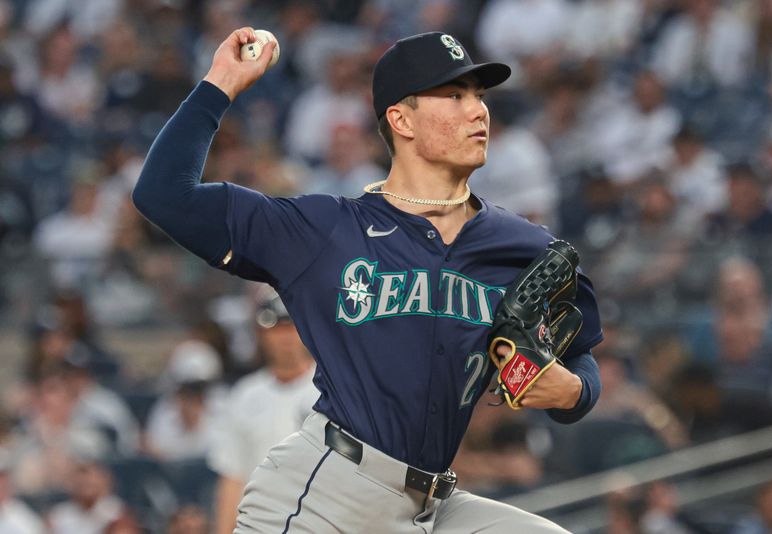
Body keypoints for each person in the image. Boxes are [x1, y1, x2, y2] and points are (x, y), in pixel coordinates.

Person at [133, 28, 603, 533]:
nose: (478, 110)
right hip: (325, 496)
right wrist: (220, 83)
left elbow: (581, 350)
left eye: (479, 96)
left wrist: (573, 391)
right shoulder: (323, 230)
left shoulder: (522, 246)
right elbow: (163, 195)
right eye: (453, 95)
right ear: (400, 119)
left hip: (432, 504)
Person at [207, 288, 318, 534]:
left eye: (291, 326)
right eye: (275, 328)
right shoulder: (244, 395)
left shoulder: (331, 390)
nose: (284, 337)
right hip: (258, 524)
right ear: (260, 334)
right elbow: (232, 478)